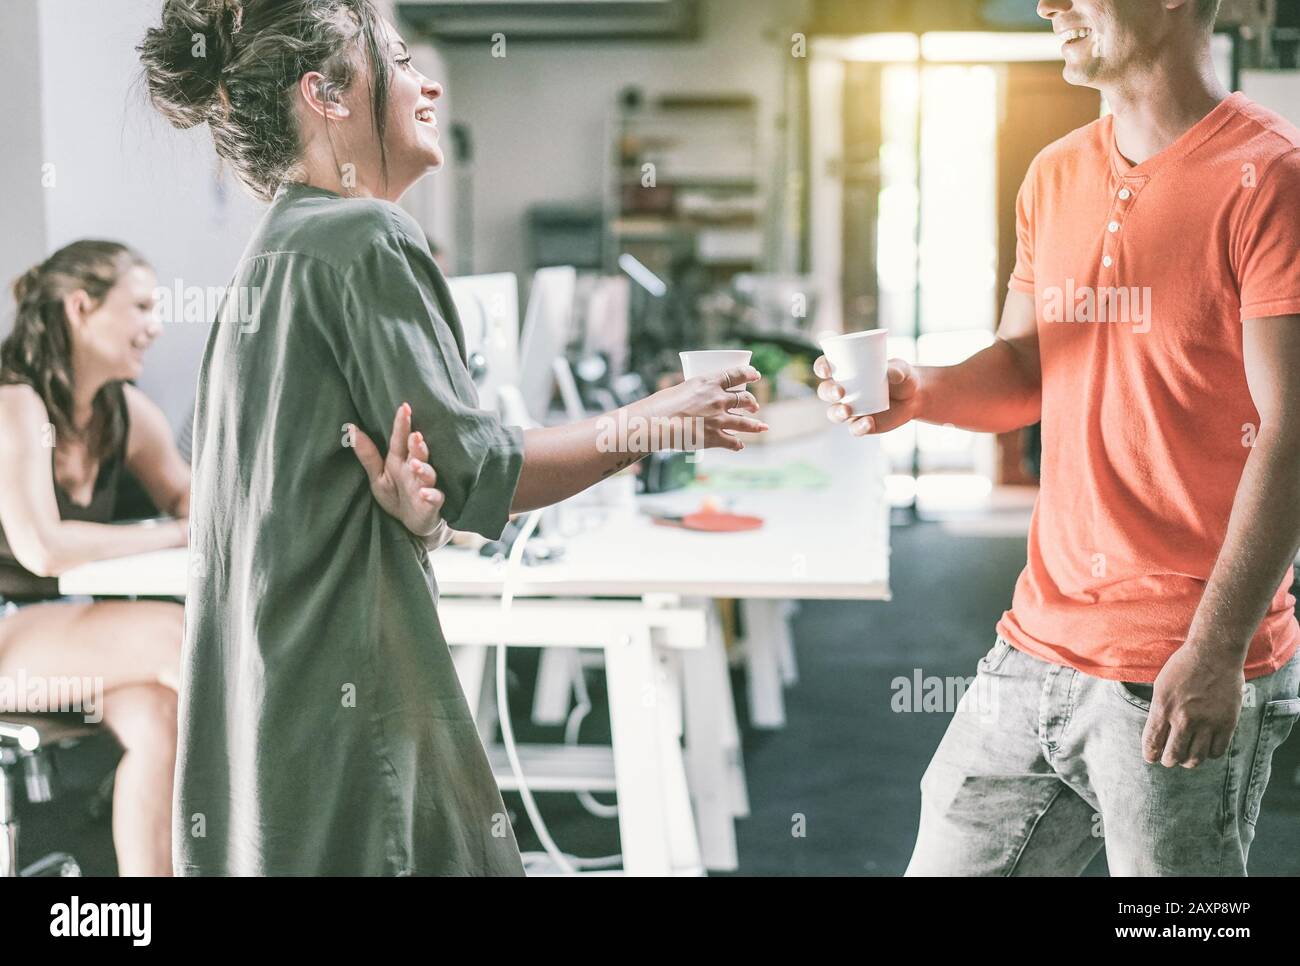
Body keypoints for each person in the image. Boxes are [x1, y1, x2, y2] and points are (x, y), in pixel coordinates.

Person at [138, 0, 767, 875]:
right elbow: (483, 475)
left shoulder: (272, 254)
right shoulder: (365, 234)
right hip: (353, 688)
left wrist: (416, 514)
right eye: (396, 59)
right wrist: (660, 417)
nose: (427, 81)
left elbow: (355, 486)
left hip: (268, 698)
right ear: (326, 96)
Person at [819, 0, 1300, 875]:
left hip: (1177, 657)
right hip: (1035, 640)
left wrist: (1217, 647)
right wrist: (918, 394)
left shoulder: (1271, 178)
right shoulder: (1053, 174)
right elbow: (1026, 371)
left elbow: (1293, 432)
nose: (1048, 3)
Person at [0, 240, 192, 875]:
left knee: (157, 716)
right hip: (7, 637)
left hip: (59, 643)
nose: (155, 326)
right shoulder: (14, 402)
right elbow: (42, 547)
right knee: (183, 638)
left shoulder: (125, 413)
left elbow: (196, 502)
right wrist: (169, 534)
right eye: (140, 305)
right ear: (81, 307)